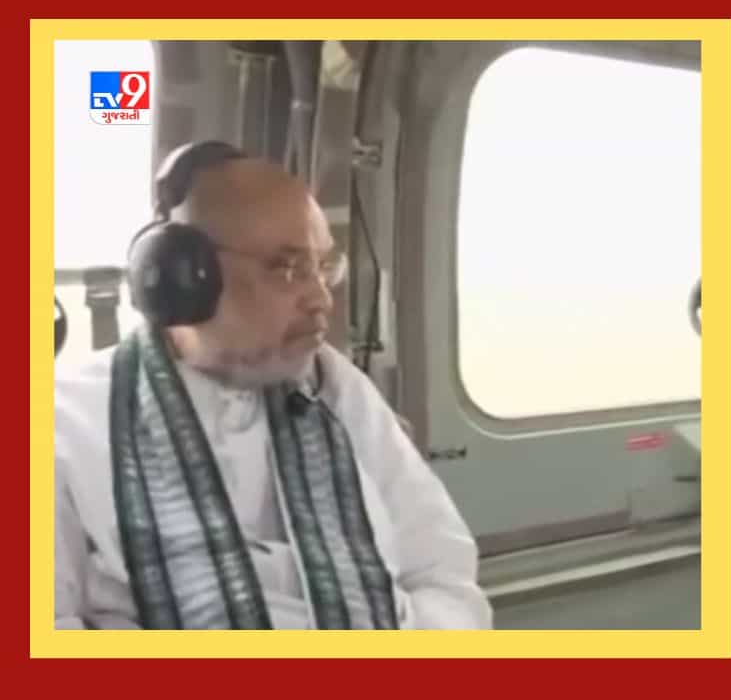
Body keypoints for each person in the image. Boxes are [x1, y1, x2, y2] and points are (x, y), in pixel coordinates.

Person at [53, 142, 492, 629]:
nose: (321, 298)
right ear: (187, 277)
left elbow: (443, 579)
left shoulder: (338, 391)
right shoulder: (66, 423)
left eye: (324, 267)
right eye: (289, 269)